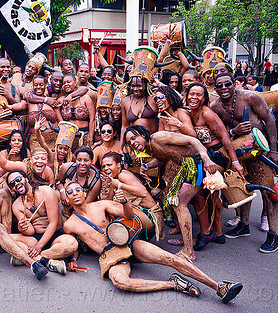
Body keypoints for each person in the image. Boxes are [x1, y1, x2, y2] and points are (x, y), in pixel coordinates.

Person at [63, 182, 243, 303]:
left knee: (171, 258)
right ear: (67, 199)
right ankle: (174, 284)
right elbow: (76, 244)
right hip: (111, 257)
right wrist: (73, 259)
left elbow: (130, 216)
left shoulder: (101, 205)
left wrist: (125, 202)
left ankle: (219, 286)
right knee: (121, 282)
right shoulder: (69, 224)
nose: (75, 193)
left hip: (127, 243)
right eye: (70, 192)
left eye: (77, 189)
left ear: (84, 192)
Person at [210, 72, 278, 253]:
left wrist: (273, 150)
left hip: (261, 149)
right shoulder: (215, 106)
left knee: (267, 190)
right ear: (215, 88)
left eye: (227, 84)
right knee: (244, 187)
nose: (224, 88)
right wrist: (234, 132)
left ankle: (273, 235)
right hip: (239, 152)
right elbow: (216, 131)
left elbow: (269, 120)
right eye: (219, 85)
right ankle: (243, 225)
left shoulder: (249, 96)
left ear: (234, 84)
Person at [125, 125, 219, 262]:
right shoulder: (150, 147)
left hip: (197, 164)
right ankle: (188, 241)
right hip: (188, 167)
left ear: (143, 135)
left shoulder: (158, 137)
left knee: (180, 204)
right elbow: (164, 156)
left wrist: (206, 160)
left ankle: (188, 252)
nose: (133, 143)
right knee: (174, 202)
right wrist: (147, 166)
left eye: (134, 138)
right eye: (129, 142)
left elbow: (194, 141)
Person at [185, 82, 244, 251]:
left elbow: (225, 138)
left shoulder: (207, 113)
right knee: (212, 196)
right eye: (191, 94)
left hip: (218, 155)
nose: (194, 97)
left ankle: (206, 233)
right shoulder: (189, 113)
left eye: (198, 95)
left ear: (204, 98)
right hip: (204, 156)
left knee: (198, 191)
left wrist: (235, 162)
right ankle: (217, 233)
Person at [8, 170, 78, 274]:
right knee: (8, 239)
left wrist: (38, 247)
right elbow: (30, 231)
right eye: (12, 184)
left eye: (18, 179)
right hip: (35, 238)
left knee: (71, 244)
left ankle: (28, 258)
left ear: (26, 178)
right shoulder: (16, 205)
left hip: (55, 236)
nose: (16, 183)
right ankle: (46, 261)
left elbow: (53, 223)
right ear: (12, 188)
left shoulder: (46, 192)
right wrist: (22, 228)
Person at [100, 152, 164, 240]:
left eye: (109, 165)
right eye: (103, 166)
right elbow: (109, 200)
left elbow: (143, 192)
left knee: (107, 205)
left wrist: (119, 184)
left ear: (118, 165)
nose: (106, 168)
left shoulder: (123, 175)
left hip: (150, 217)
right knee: (106, 205)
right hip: (140, 216)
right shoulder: (115, 179)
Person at [56, 146, 101, 212]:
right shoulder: (67, 168)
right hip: (66, 201)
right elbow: (57, 182)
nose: (82, 163)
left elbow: (85, 205)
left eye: (86, 160)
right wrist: (62, 192)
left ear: (91, 161)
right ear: (75, 160)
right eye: (79, 160)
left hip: (84, 207)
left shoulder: (95, 181)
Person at [57, 75, 95, 149]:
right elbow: (60, 120)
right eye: (64, 83)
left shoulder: (86, 98)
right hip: (68, 137)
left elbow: (92, 120)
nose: (66, 84)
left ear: (75, 83)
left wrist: (90, 139)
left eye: (69, 82)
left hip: (84, 135)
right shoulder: (61, 100)